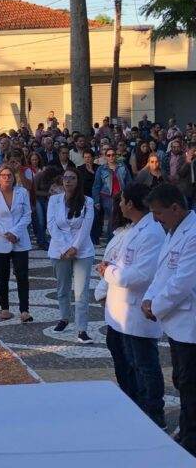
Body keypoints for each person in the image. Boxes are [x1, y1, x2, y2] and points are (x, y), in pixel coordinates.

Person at [95, 184, 167, 428]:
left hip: (137, 309)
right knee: (127, 360)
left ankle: (154, 412)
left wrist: (108, 271)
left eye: (123, 200)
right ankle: (133, 403)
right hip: (121, 309)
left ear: (132, 203)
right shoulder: (136, 229)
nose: (120, 204)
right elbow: (122, 263)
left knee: (145, 363)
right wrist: (111, 272)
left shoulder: (151, 233)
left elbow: (138, 275)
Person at [142, 184, 196, 454]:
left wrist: (156, 307)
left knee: (190, 384)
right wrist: (149, 298)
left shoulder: (194, 234)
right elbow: (162, 272)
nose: (155, 219)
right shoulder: (173, 230)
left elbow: (182, 283)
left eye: (158, 213)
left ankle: (191, 441)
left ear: (175, 208)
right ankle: (187, 431)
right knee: (181, 380)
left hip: (190, 324)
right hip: (176, 323)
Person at [47, 168, 95, 343]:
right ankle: (64, 317)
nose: (68, 181)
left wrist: (75, 247)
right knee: (63, 287)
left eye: (72, 178)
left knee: (81, 292)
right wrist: (66, 247)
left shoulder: (87, 201)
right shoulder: (54, 200)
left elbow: (86, 227)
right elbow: (52, 226)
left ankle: (82, 329)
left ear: (78, 181)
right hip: (60, 249)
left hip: (82, 250)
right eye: (65, 178)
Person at [0, 165, 33, 323]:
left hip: (19, 240)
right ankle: (4, 308)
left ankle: (24, 310)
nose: (6, 178)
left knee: (22, 276)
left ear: (14, 178)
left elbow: (27, 215)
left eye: (9, 175)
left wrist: (15, 232)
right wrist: (6, 234)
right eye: (3, 175)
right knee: (2, 275)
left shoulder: (22, 192)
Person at [93, 147, 132, 242]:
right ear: (106, 157)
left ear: (116, 156)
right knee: (112, 218)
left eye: (113, 155)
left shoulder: (122, 166)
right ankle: (111, 241)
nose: (111, 157)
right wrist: (96, 201)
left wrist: (130, 195)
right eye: (109, 155)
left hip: (121, 196)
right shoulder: (101, 169)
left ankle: (120, 240)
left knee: (121, 218)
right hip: (107, 196)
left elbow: (129, 181)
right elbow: (96, 185)